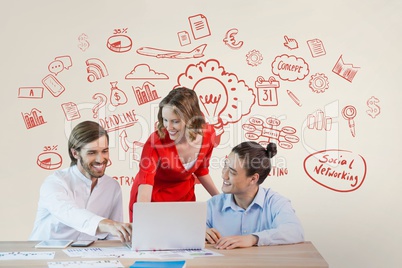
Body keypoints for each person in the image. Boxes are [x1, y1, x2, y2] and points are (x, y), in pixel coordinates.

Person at [30, 121, 132, 242]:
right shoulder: (55, 182)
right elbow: (69, 213)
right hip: (46, 253)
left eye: (104, 151)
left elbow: (114, 236)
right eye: (92, 152)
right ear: (75, 153)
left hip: (89, 256)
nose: (100, 159)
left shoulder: (112, 187)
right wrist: (107, 224)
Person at [129, 87, 220, 222]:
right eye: (165, 120)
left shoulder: (208, 134)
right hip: (153, 199)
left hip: (184, 198)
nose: (168, 127)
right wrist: (143, 219)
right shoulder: (156, 142)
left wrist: (220, 200)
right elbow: (146, 183)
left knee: (187, 239)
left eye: (175, 121)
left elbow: (201, 170)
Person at [205, 141, 304, 249]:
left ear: (253, 179)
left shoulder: (275, 203)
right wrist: (200, 233)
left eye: (232, 172)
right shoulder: (213, 205)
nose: (224, 175)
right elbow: (188, 229)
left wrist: (253, 238)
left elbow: (295, 231)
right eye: (225, 167)